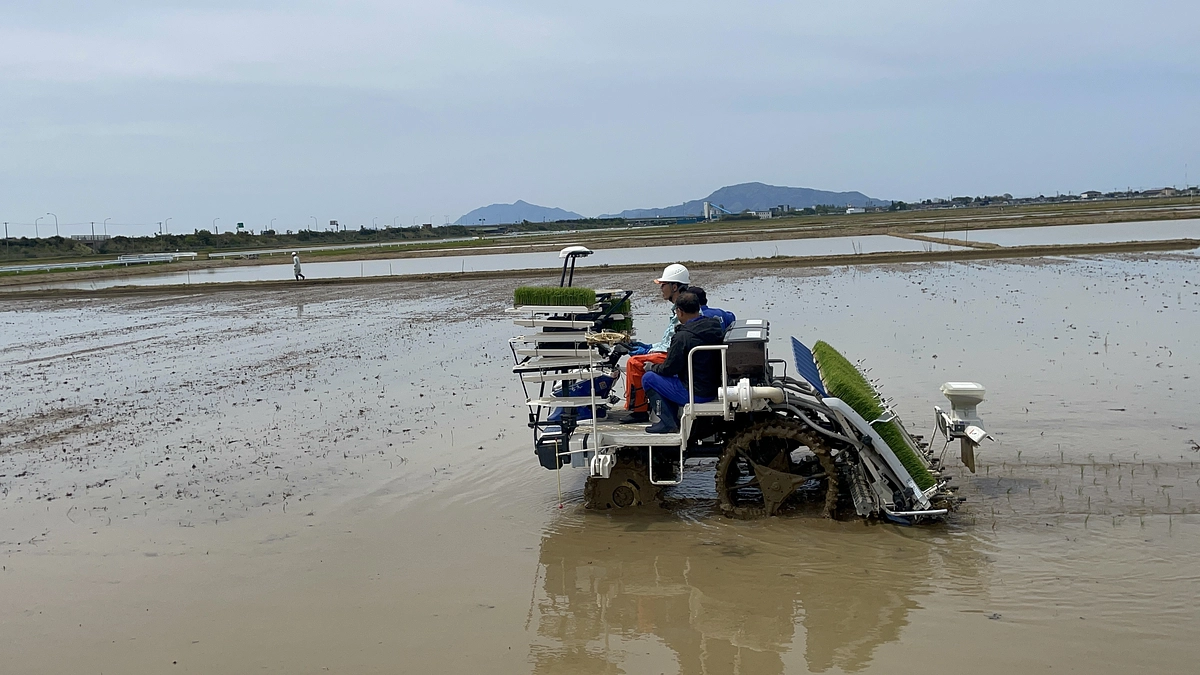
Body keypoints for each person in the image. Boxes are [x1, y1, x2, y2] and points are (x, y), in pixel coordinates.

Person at [642, 292, 725, 433]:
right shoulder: (714, 326)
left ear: (679, 312)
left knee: (648, 378)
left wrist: (652, 367)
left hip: (695, 392)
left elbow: (669, 368)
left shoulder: (682, 337)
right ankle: (672, 418)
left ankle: (668, 423)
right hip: (713, 387)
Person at [621, 263, 689, 423]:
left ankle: (638, 410)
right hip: (672, 352)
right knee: (639, 358)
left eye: (663, 285)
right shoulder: (679, 308)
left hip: (674, 355)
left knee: (634, 363)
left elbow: (670, 346)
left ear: (674, 287)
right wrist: (649, 347)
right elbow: (668, 340)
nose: (661, 289)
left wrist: (646, 351)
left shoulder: (682, 310)